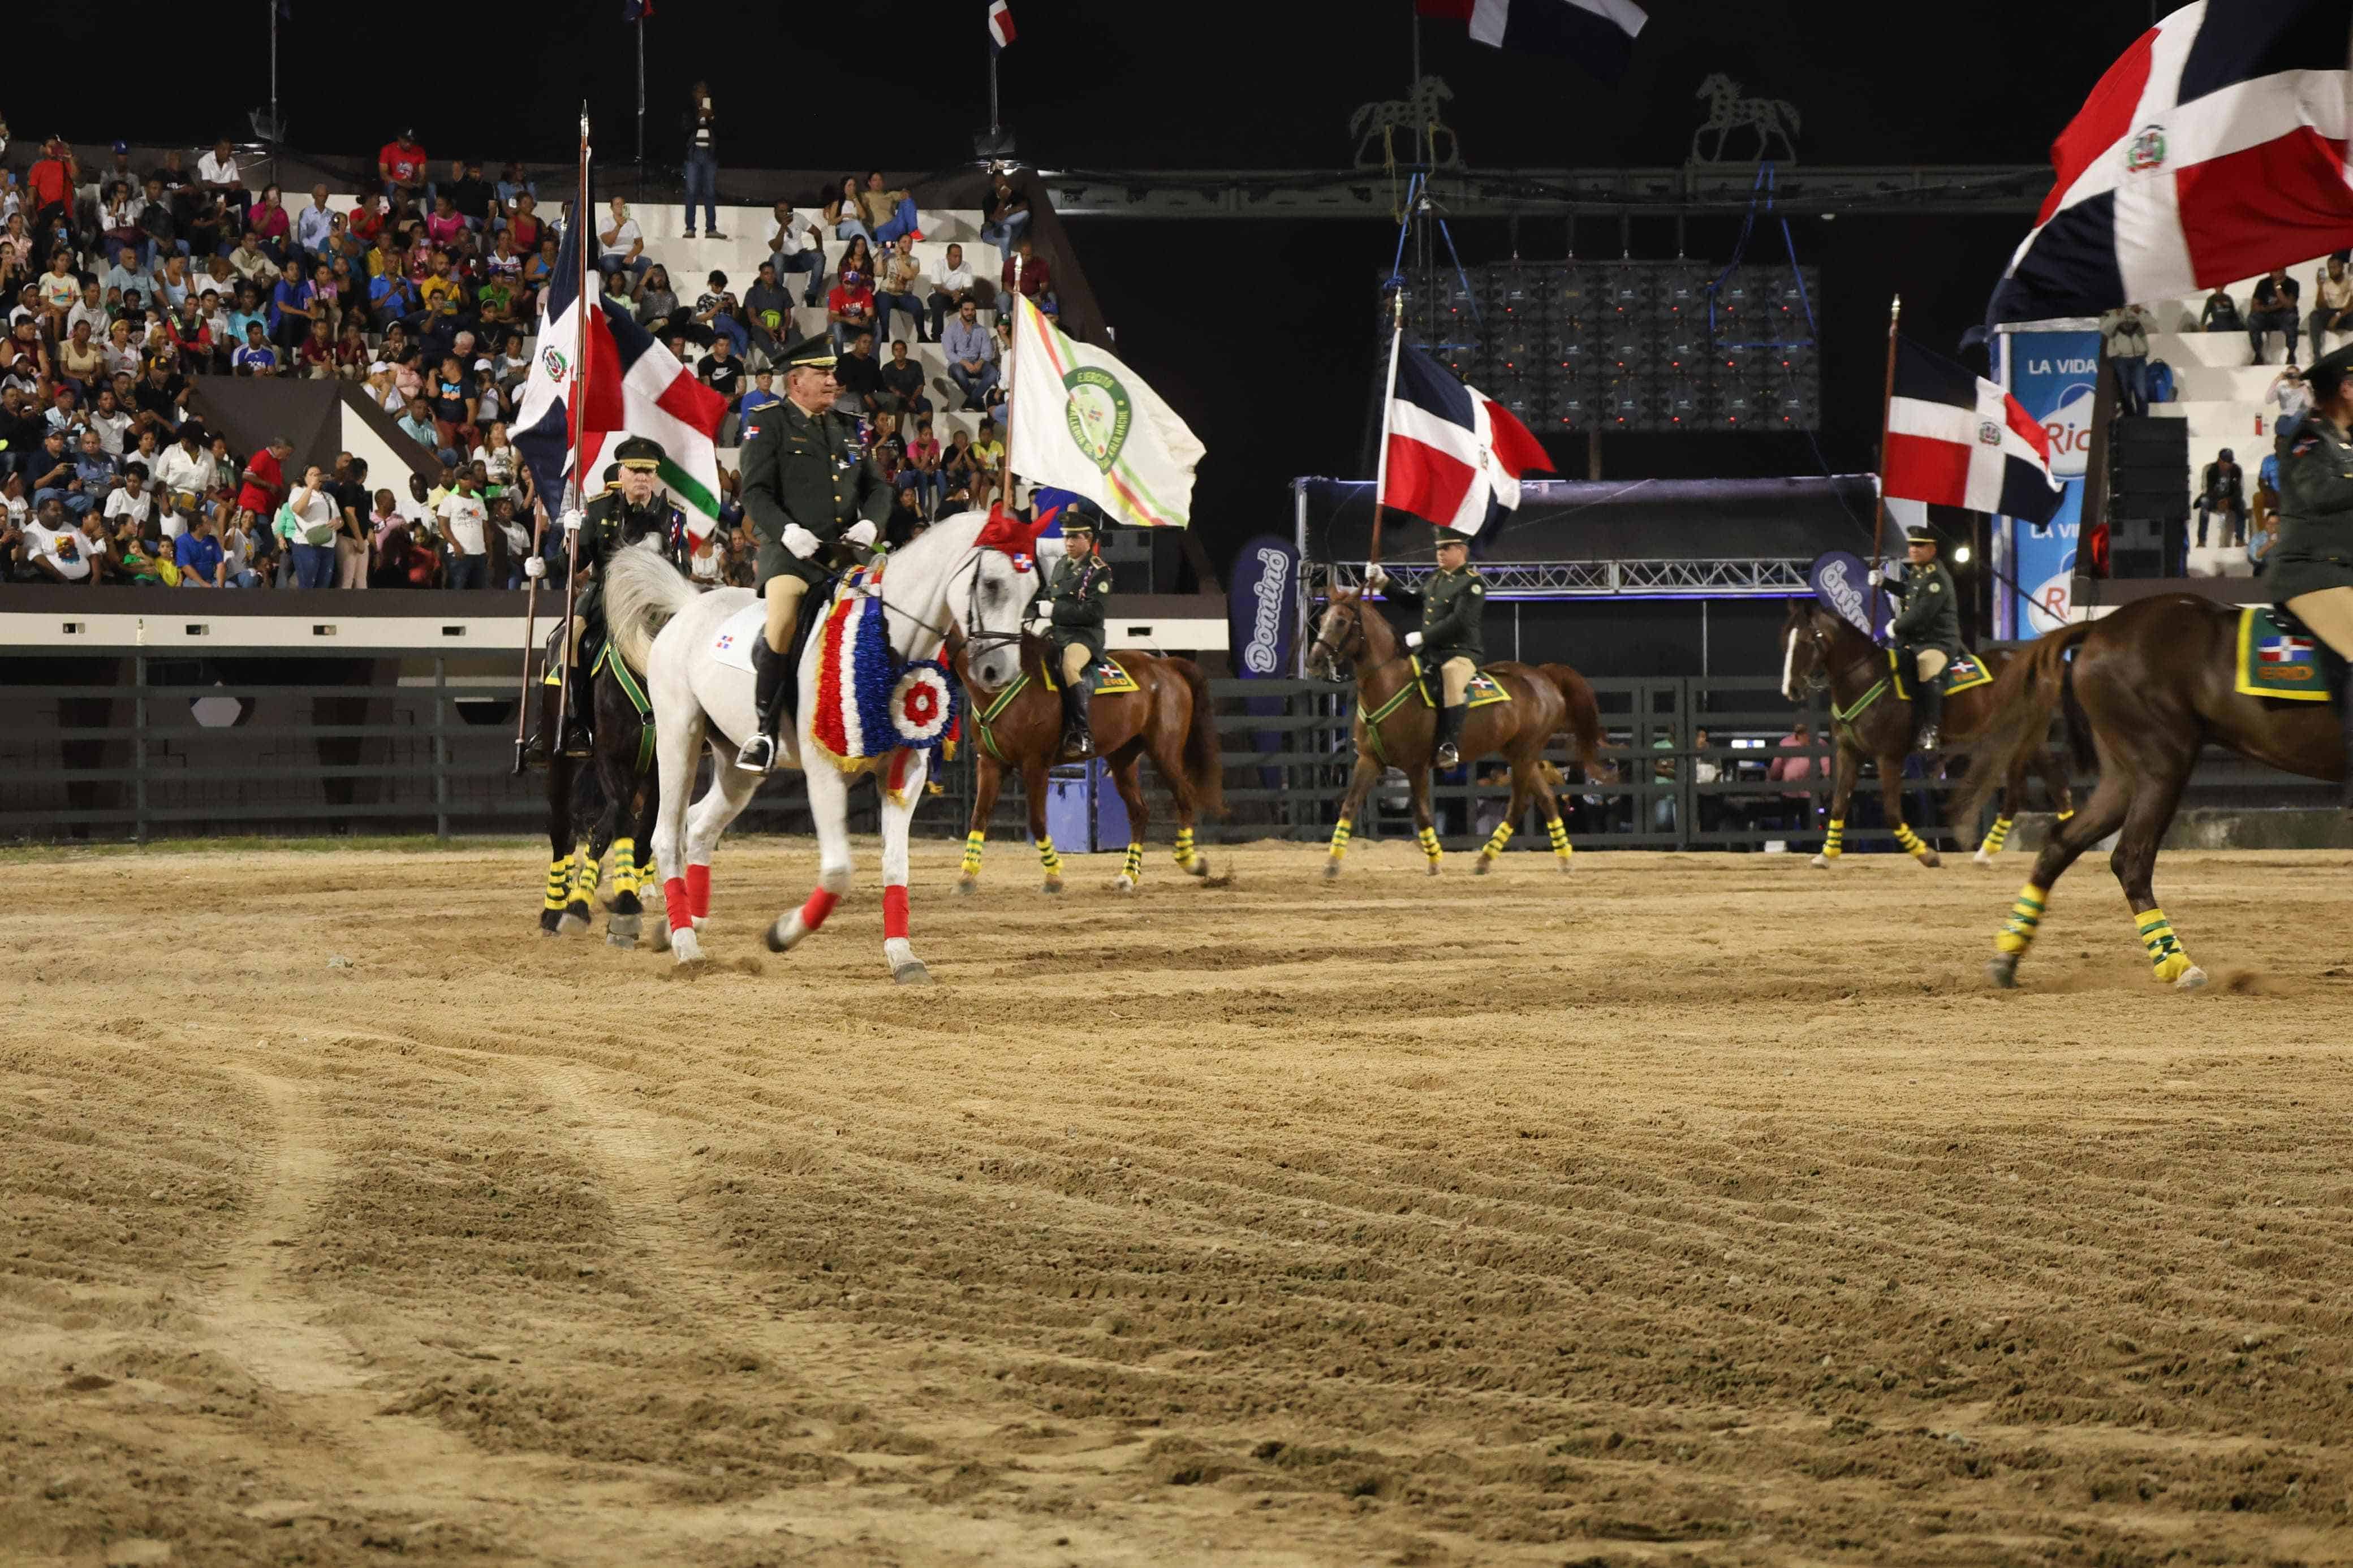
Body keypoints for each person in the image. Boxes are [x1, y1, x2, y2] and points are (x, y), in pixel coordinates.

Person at [733, 334, 891, 772]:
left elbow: (877, 486)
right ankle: (764, 731)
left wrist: (871, 523)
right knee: (783, 620)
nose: (831, 380)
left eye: (832, 373)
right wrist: (786, 532)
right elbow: (756, 492)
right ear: (795, 381)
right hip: (792, 558)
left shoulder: (849, 425)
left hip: (846, 558)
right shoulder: (768, 423)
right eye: (822, 374)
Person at [2268, 343, 2353, 809]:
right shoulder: (2308, 438)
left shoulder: (2346, 445)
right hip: (2310, 576)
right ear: (2345, 388)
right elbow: (2318, 491)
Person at [1361, 529, 1487, 767]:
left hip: (1461, 652)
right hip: (1430, 652)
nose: (1439, 553)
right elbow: (1411, 603)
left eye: (1446, 548)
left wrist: (1424, 636)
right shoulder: (1436, 578)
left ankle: (1449, 746)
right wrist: (1383, 582)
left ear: (1461, 550)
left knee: (1451, 676)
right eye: (1438, 549)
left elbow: (1460, 622)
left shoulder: (1473, 583)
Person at [1872, 526, 1962, 750]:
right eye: (1912, 545)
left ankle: (1931, 730)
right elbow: (1910, 592)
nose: (1913, 549)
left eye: (1920, 546)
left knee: (1926, 669)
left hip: (1938, 643)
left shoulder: (1937, 578)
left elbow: (1922, 611)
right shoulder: (1919, 572)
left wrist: (1897, 625)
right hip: (1917, 642)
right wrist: (1885, 583)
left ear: (1932, 548)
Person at [1029, 511, 1111, 758]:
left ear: (1089, 539)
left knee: (1069, 667)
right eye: (1067, 538)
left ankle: (1082, 733)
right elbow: (1048, 594)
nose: (1069, 543)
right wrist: (1035, 603)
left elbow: (1093, 612)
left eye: (1075, 538)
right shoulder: (1061, 564)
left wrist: (1056, 609)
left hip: (1084, 636)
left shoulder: (1099, 571)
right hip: (1057, 631)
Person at [279, 465, 341, 588]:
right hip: (306, 545)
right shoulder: (298, 492)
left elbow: (340, 519)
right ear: (305, 479)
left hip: (328, 546)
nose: (317, 477)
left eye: (319, 474)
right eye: (313, 474)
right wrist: (311, 487)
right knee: (307, 585)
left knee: (323, 586)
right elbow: (299, 510)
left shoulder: (329, 497)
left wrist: (338, 523)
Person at [683, 84, 724, 239]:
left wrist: (711, 117)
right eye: (700, 91)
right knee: (692, 192)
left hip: (710, 155)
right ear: (694, 94)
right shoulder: (688, 110)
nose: (703, 94)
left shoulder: (713, 109)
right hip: (693, 156)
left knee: (710, 192)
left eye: (705, 91)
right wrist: (698, 117)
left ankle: (711, 229)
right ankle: (690, 228)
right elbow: (684, 129)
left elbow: (722, 131)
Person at [942, 296, 998, 410]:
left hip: (977, 364)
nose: (970, 313)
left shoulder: (981, 330)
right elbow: (949, 353)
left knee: (993, 372)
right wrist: (965, 363)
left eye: (972, 310)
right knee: (956, 370)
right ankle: (977, 400)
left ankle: (972, 400)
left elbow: (987, 352)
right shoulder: (951, 329)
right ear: (961, 311)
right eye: (966, 310)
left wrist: (980, 362)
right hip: (959, 365)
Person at [767, 201, 827, 306]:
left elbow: (816, 232)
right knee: (778, 257)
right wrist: (783, 226)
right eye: (782, 211)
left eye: (788, 211)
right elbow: (776, 248)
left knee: (820, 257)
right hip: (781, 262)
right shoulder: (770, 225)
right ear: (775, 211)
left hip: (799, 259)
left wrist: (819, 248)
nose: (786, 214)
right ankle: (778, 294)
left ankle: (811, 294)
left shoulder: (798, 218)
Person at [1766, 721, 1821, 833]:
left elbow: (1826, 768)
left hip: (1809, 794)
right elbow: (1775, 770)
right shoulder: (1785, 744)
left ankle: (1810, 848)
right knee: (1788, 825)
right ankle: (1789, 847)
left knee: (1808, 826)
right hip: (1789, 794)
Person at [874, 233, 928, 344]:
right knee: (882, 300)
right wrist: (880, 255)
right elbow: (878, 273)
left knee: (917, 303)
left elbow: (909, 275)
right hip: (887, 293)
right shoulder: (889, 258)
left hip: (904, 295)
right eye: (904, 242)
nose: (907, 244)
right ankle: (884, 336)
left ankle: (922, 336)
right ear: (898, 244)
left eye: (910, 242)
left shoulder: (914, 261)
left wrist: (898, 258)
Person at [2098, 303, 2150, 418]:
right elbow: (2104, 330)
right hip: (2120, 359)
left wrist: (2139, 312)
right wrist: (2116, 315)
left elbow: (2152, 325)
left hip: (2139, 358)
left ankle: (2144, 424)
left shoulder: (2137, 307)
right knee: (2125, 394)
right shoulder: (2109, 311)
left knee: (2141, 393)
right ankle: (2129, 424)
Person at [925, 243, 983, 342]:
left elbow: (968, 288)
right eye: (955, 256)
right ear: (948, 257)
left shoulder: (966, 266)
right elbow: (938, 287)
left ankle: (973, 335)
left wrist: (960, 295)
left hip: (958, 297)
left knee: (970, 301)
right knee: (938, 300)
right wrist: (953, 294)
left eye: (960, 256)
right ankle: (936, 336)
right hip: (939, 296)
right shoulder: (938, 265)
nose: (959, 259)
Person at [2196, 448, 2246, 551]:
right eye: (2226, 462)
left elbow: (2239, 491)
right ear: (2220, 461)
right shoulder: (2210, 469)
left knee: (2242, 504)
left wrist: (2228, 501)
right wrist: (2218, 501)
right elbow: (2207, 490)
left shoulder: (2237, 470)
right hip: (2213, 499)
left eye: (2231, 462)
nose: (2229, 464)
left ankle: (2240, 539)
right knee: (2204, 503)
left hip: (2230, 499)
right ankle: (2202, 540)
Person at [2250, 268, 2301, 365]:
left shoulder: (2293, 284)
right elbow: (2254, 306)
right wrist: (2274, 307)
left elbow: (2289, 305)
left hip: (2284, 317)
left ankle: (2291, 355)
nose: (2278, 273)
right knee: (2253, 319)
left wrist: (2278, 288)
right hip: (2267, 317)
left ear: (2285, 271)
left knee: (2292, 317)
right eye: (2274, 271)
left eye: (2280, 270)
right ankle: (2258, 355)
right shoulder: (2263, 283)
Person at [2313, 256, 2353, 364]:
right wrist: (2320, 287)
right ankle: (2317, 355)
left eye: (2335, 267)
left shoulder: (2350, 280)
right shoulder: (2326, 283)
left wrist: (2338, 316)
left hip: (2346, 312)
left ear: (2341, 267)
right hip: (2331, 312)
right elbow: (2321, 306)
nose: (2332, 270)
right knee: (2315, 316)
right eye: (2330, 268)